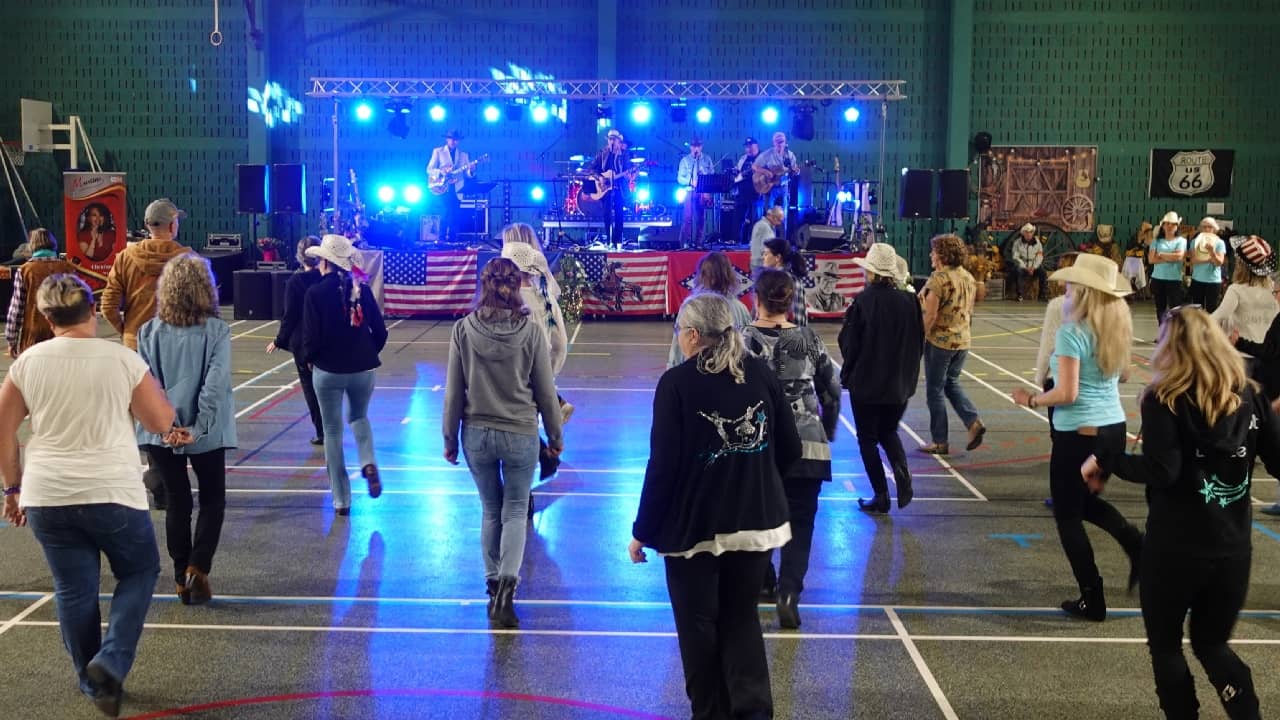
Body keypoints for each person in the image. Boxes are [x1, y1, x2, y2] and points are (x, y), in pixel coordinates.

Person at [1083, 305, 1280, 719]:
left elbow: (1163, 470)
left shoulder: (1165, 398)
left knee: (1167, 645)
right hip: (1232, 548)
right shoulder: (1250, 396)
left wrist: (1107, 458)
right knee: (1212, 644)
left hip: (1175, 547)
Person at [0, 274, 175, 718]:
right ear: (93, 308)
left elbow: (5, 432)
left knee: (74, 591)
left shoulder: (26, 363)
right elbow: (158, 422)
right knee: (139, 570)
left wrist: (13, 487)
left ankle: (91, 679)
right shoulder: (121, 359)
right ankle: (110, 662)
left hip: (48, 493)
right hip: (112, 489)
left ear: (46, 316)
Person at [628, 293, 801, 720]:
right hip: (756, 522)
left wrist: (642, 530)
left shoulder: (676, 384)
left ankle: (709, 712)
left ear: (691, 335)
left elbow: (663, 467)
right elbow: (790, 449)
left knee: (697, 627)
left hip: (694, 529)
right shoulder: (760, 374)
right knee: (741, 618)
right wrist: (755, 476)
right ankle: (754, 711)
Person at [1011, 254, 1142, 621]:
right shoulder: (1115, 328)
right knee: (1084, 503)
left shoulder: (1072, 332)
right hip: (1112, 429)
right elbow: (1126, 375)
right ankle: (1136, 544)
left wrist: (1032, 398)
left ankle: (1092, 596)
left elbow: (1066, 393)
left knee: (1068, 515)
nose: (1065, 289)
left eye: (1071, 285)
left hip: (1079, 435)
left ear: (1083, 291)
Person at [442, 258, 563, 628]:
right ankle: (508, 591)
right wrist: (555, 438)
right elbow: (546, 392)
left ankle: (492, 583)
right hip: (520, 433)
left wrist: (449, 438)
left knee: (490, 510)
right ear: (518, 285)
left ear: (484, 285)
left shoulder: (463, 330)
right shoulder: (530, 333)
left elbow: (453, 393)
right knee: (514, 512)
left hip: (476, 433)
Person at [136, 254, 236, 606]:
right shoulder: (217, 331)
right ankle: (199, 567)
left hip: (161, 431)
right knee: (212, 499)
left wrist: (168, 426)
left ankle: (180, 579)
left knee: (177, 502)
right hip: (205, 431)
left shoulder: (148, 332)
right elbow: (215, 383)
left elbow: (148, 385)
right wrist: (198, 427)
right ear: (205, 289)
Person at [743, 269, 839, 629]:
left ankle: (763, 580)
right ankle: (789, 593)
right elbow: (832, 390)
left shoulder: (743, 340)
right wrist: (826, 429)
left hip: (760, 448)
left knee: (758, 518)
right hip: (807, 446)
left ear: (757, 298)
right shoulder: (810, 339)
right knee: (801, 523)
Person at [299, 234, 388, 516]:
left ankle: (341, 499)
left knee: (333, 431)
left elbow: (310, 338)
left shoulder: (314, 293)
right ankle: (368, 461)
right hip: (362, 368)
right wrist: (367, 351)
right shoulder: (361, 288)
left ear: (324, 262)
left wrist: (309, 361)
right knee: (360, 418)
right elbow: (381, 331)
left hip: (327, 370)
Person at [839, 243, 926, 513]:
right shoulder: (910, 301)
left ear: (872, 273)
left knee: (867, 438)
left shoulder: (863, 301)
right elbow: (919, 340)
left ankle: (880, 494)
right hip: (900, 382)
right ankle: (903, 474)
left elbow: (849, 343)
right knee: (889, 431)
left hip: (866, 382)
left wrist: (848, 372)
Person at [919, 234, 985, 455]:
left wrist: (919, 339)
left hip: (940, 343)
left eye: (934, 251)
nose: (931, 254)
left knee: (934, 390)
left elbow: (930, 315)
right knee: (952, 383)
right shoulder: (967, 277)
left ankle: (940, 440)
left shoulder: (938, 280)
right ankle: (973, 421)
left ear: (942, 255)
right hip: (963, 341)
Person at [100, 198, 192, 350]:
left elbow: (108, 306)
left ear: (147, 225)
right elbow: (204, 309)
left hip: (136, 343)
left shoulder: (125, 257)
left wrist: (127, 331)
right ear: (172, 225)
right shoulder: (190, 260)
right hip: (176, 346)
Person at [267, 236, 326, 445]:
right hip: (324, 338)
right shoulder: (325, 278)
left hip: (302, 341)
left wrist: (279, 340)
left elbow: (289, 315)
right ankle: (330, 427)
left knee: (310, 387)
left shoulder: (295, 282)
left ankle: (321, 431)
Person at [667, 251, 752, 368]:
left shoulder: (690, 307)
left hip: (696, 372)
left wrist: (672, 372)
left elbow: (678, 347)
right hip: (731, 373)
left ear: (702, 276)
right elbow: (748, 347)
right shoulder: (741, 309)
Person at [6, 228, 75, 358]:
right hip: (63, 334)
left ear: (33, 245)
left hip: (33, 336)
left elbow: (16, 310)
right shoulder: (68, 268)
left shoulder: (25, 270)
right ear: (53, 244)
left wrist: (12, 340)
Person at [426, 130, 472, 245]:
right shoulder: (438, 151)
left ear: (459, 141)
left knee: (456, 214)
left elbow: (468, 174)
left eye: (456, 139)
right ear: (447, 139)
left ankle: (453, 239)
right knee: (445, 212)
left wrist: (472, 170)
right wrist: (442, 171)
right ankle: (440, 238)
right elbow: (429, 169)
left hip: (457, 189)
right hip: (443, 187)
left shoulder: (463, 155)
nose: (453, 141)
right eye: (451, 139)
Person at [589, 129, 633, 246]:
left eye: (614, 139)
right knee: (607, 214)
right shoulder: (602, 153)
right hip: (605, 189)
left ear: (619, 141)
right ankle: (609, 240)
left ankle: (617, 241)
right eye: (610, 139)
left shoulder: (624, 154)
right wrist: (600, 178)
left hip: (619, 187)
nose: (612, 142)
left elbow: (628, 169)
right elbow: (592, 169)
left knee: (619, 214)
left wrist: (629, 175)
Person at [1149, 211, 1187, 326]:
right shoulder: (1156, 241)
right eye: (1167, 224)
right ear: (1163, 225)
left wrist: (1160, 254)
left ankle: (1174, 334)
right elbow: (1151, 259)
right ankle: (1162, 332)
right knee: (1160, 308)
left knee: (1175, 309)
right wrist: (1171, 257)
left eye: (1173, 224)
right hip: (1158, 279)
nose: (1170, 226)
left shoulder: (1181, 241)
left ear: (1177, 226)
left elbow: (1179, 256)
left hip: (1174, 279)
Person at [677, 138, 716, 248]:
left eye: (698, 146)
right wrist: (691, 181)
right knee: (687, 217)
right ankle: (686, 241)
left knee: (701, 217)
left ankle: (699, 241)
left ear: (701, 147)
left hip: (702, 192)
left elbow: (712, 175)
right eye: (694, 146)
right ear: (691, 147)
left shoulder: (707, 159)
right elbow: (680, 178)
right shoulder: (685, 160)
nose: (696, 148)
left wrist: (707, 188)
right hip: (690, 191)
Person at [761, 237, 809, 326]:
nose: (763, 257)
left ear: (778, 257)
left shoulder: (783, 280)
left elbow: (793, 315)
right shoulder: (791, 276)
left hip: (788, 332)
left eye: (766, 254)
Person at [751, 131, 799, 215]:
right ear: (773, 142)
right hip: (770, 188)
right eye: (777, 141)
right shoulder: (767, 154)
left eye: (782, 141)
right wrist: (765, 172)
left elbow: (793, 170)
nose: (780, 144)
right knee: (770, 215)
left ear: (785, 142)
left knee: (782, 216)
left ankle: (782, 228)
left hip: (783, 188)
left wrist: (796, 172)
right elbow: (754, 166)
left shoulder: (790, 155)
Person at [1187, 217, 1226, 312]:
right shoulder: (1194, 242)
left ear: (1214, 229)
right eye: (1204, 227)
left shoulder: (1220, 243)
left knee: (1212, 310)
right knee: (1197, 311)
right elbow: (1193, 260)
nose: (1207, 229)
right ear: (1200, 229)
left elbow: (1219, 262)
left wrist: (1212, 252)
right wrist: (1210, 259)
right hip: (1197, 279)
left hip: (1213, 281)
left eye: (1210, 227)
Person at [733, 137, 762, 245]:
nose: (748, 149)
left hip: (756, 193)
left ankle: (754, 243)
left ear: (756, 146)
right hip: (742, 193)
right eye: (746, 147)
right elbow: (738, 172)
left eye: (751, 146)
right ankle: (736, 242)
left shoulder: (762, 158)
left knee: (755, 220)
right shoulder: (743, 158)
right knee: (738, 219)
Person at [1012, 222, 1047, 301]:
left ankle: (1042, 295)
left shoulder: (1037, 243)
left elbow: (1039, 256)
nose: (1028, 234)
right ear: (1023, 233)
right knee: (1018, 271)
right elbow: (1016, 257)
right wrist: (1025, 267)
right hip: (1023, 266)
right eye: (1027, 232)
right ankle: (1019, 295)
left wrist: (1034, 267)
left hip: (1034, 266)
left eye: (1030, 232)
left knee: (1043, 272)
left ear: (1032, 233)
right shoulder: (1017, 243)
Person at [750, 205, 784, 272]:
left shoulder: (759, 224)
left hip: (757, 264)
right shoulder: (765, 228)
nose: (779, 223)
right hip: (762, 265)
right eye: (779, 220)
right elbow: (766, 249)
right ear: (773, 217)